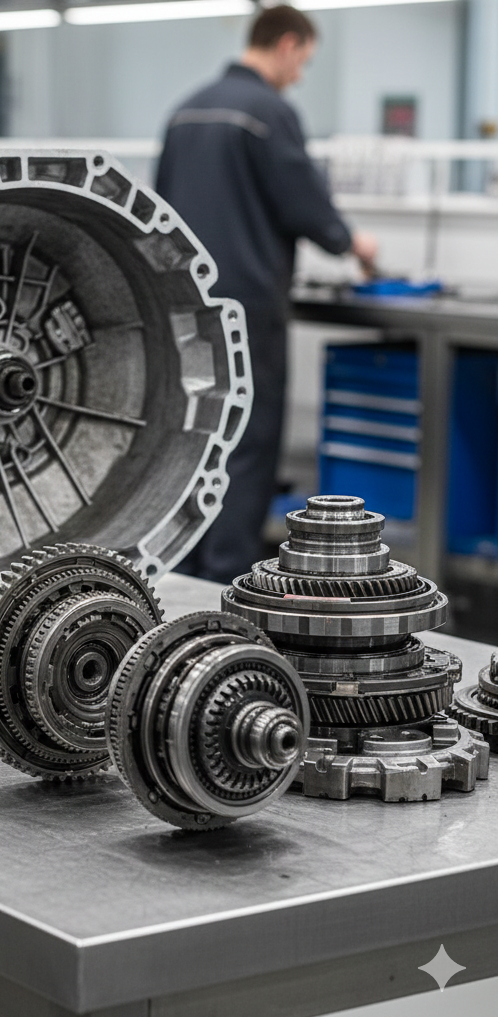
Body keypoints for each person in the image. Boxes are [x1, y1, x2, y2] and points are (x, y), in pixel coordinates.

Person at [156, 4, 377, 584]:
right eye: (303, 61)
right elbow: (304, 202)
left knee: (186, 436)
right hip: (246, 310)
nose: (300, 74)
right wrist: (354, 242)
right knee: (246, 442)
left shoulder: (185, 110)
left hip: (181, 308)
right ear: (285, 44)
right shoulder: (268, 113)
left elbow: (158, 211)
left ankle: (178, 569)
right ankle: (227, 578)